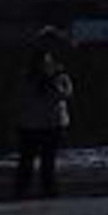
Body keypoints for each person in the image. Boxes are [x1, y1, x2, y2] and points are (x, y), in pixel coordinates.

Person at [12, 33, 72, 200]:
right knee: (36, 161)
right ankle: (35, 190)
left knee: (38, 161)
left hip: (37, 125)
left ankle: (32, 190)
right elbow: (63, 96)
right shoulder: (31, 79)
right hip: (42, 125)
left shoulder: (39, 78)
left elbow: (65, 95)